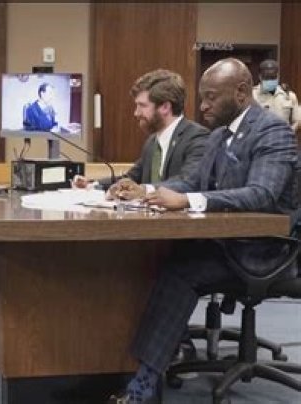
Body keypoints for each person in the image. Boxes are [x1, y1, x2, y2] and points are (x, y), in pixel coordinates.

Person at [107, 58, 298, 404]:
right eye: (202, 98)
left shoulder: (272, 131)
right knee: (156, 258)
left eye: (211, 98)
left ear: (241, 93)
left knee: (180, 271)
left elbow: (262, 194)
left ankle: (143, 384)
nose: (204, 106)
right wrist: (148, 192)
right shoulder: (219, 136)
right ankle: (157, 357)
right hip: (227, 242)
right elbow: (191, 181)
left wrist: (187, 200)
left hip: (264, 250)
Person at [73, 69, 208, 192]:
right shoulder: (152, 142)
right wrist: (94, 184)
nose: (136, 113)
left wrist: (144, 190)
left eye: (142, 106)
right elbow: (131, 178)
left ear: (165, 107)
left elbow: (188, 182)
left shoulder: (197, 138)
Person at [252, 59, 299, 133]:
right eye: (267, 78)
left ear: (278, 76)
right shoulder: (252, 96)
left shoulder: (289, 96)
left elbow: (297, 121)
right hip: (260, 138)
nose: (270, 80)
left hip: (283, 137)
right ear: (260, 77)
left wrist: (288, 133)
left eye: (273, 77)